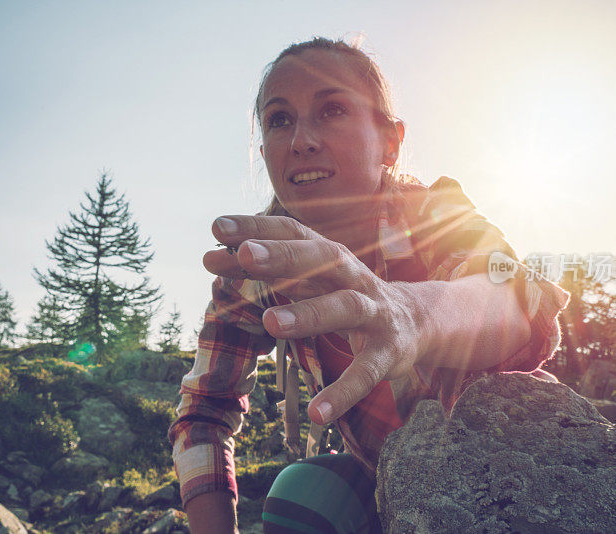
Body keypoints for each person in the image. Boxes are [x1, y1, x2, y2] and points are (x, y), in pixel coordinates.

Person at [168, 37, 570, 533]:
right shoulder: (255, 268)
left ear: (391, 142)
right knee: (301, 497)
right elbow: (204, 412)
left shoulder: (435, 211)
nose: (301, 140)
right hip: (385, 481)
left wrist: (409, 314)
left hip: (520, 462)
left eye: (332, 109)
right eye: (279, 119)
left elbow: (512, 299)